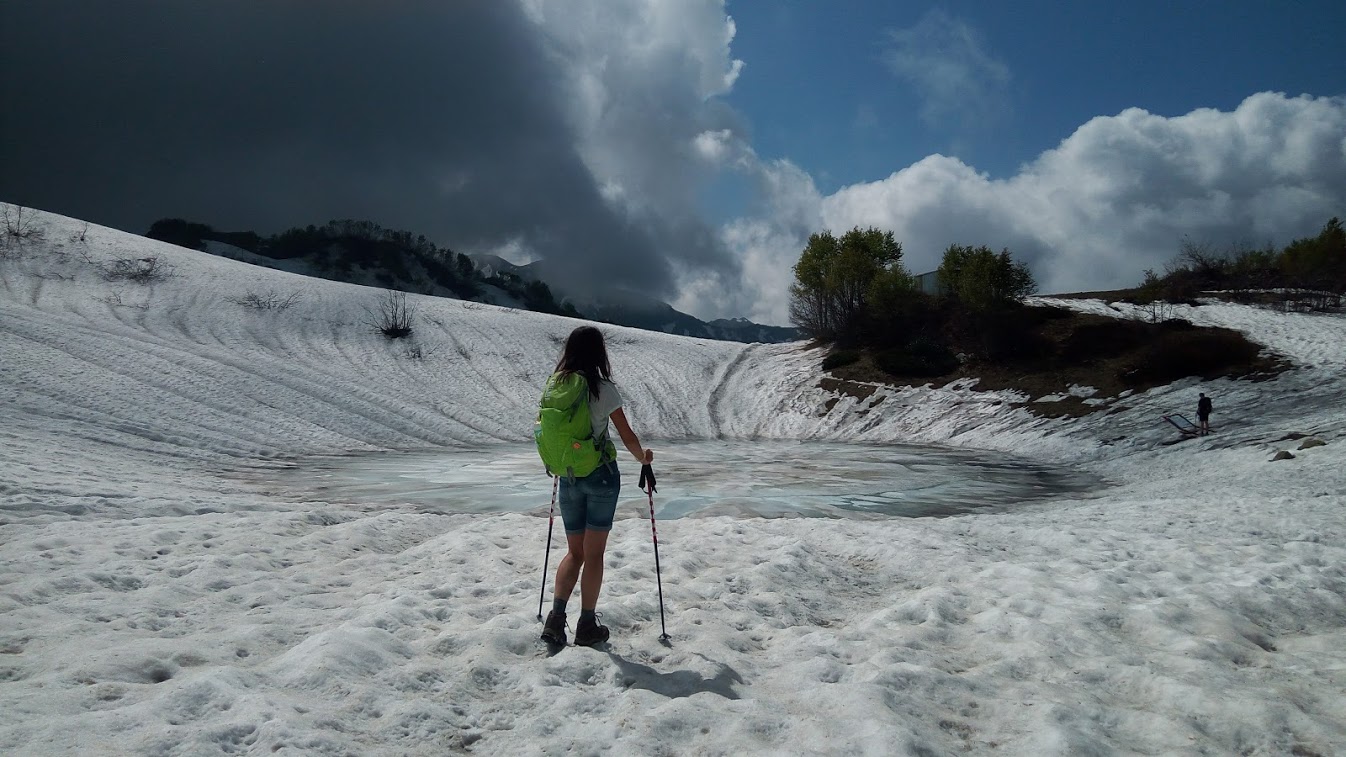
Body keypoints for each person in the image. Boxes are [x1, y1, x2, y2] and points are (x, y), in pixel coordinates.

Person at [541, 326, 654, 647]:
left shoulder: (556, 385)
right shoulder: (603, 389)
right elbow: (626, 434)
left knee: (574, 553)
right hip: (601, 476)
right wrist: (643, 458)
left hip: (569, 476)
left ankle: (555, 619)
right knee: (594, 555)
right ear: (599, 353)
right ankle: (587, 624)